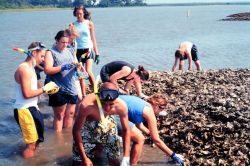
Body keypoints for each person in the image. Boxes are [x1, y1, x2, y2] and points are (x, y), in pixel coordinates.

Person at [13, 42, 57, 158]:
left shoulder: (31, 67)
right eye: (42, 56)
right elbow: (27, 94)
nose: (43, 59)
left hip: (32, 108)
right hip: (24, 110)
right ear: (34, 53)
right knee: (31, 144)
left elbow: (46, 69)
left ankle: (33, 161)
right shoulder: (24, 69)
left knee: (37, 140)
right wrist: (44, 89)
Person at [72, 82, 131, 166]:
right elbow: (76, 130)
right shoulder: (87, 105)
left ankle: (99, 152)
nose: (107, 108)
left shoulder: (121, 106)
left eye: (111, 104)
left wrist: (126, 157)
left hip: (108, 123)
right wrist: (84, 157)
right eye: (103, 103)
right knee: (79, 163)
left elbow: (126, 130)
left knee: (115, 162)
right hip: (87, 126)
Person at [117, 94, 185, 165]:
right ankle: (133, 164)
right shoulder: (149, 111)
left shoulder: (142, 104)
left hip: (106, 108)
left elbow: (139, 124)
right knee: (139, 139)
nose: (160, 112)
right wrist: (173, 155)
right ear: (156, 104)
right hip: (113, 114)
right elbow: (156, 141)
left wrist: (150, 134)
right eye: (161, 109)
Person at [44, 30, 78, 132]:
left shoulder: (70, 50)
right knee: (59, 116)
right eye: (63, 42)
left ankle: (66, 139)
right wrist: (62, 67)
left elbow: (75, 62)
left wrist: (78, 65)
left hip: (71, 87)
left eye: (67, 42)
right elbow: (47, 70)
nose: (65, 45)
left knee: (71, 115)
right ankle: (58, 137)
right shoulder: (50, 52)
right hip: (58, 89)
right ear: (56, 41)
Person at [72, 5, 100, 89]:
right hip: (78, 51)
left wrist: (97, 53)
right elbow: (71, 40)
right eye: (77, 14)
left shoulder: (89, 23)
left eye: (80, 13)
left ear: (84, 13)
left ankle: (96, 90)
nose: (79, 15)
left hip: (88, 50)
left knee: (88, 71)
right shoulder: (73, 25)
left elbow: (93, 38)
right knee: (81, 73)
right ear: (75, 14)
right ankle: (83, 94)